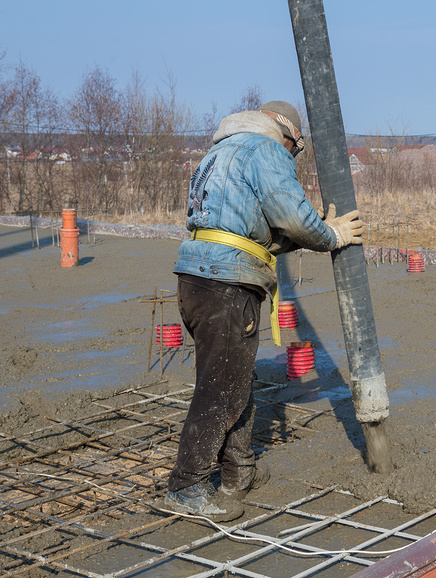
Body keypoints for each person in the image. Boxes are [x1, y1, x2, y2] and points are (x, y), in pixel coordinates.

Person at [162, 100, 363, 521]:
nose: (291, 157)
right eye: (295, 150)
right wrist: (332, 234)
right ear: (287, 136)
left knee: (231, 378)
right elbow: (291, 217)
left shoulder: (219, 153)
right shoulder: (266, 149)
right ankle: (186, 484)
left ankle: (239, 470)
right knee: (220, 387)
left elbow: (259, 228)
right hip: (226, 280)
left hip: (196, 277)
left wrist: (305, 233)